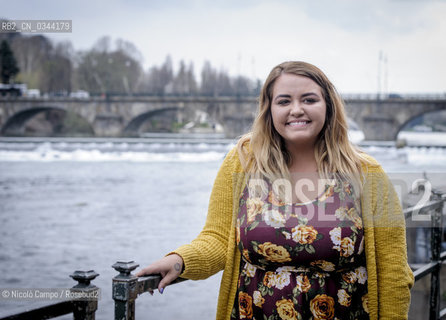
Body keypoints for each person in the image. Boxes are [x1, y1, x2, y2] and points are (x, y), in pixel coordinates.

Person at [136, 61, 414, 319]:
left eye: (309, 99)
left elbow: (393, 272)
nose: (296, 109)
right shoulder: (243, 161)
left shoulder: (367, 174)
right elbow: (218, 240)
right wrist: (178, 260)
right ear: (269, 109)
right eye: (284, 101)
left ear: (328, 106)